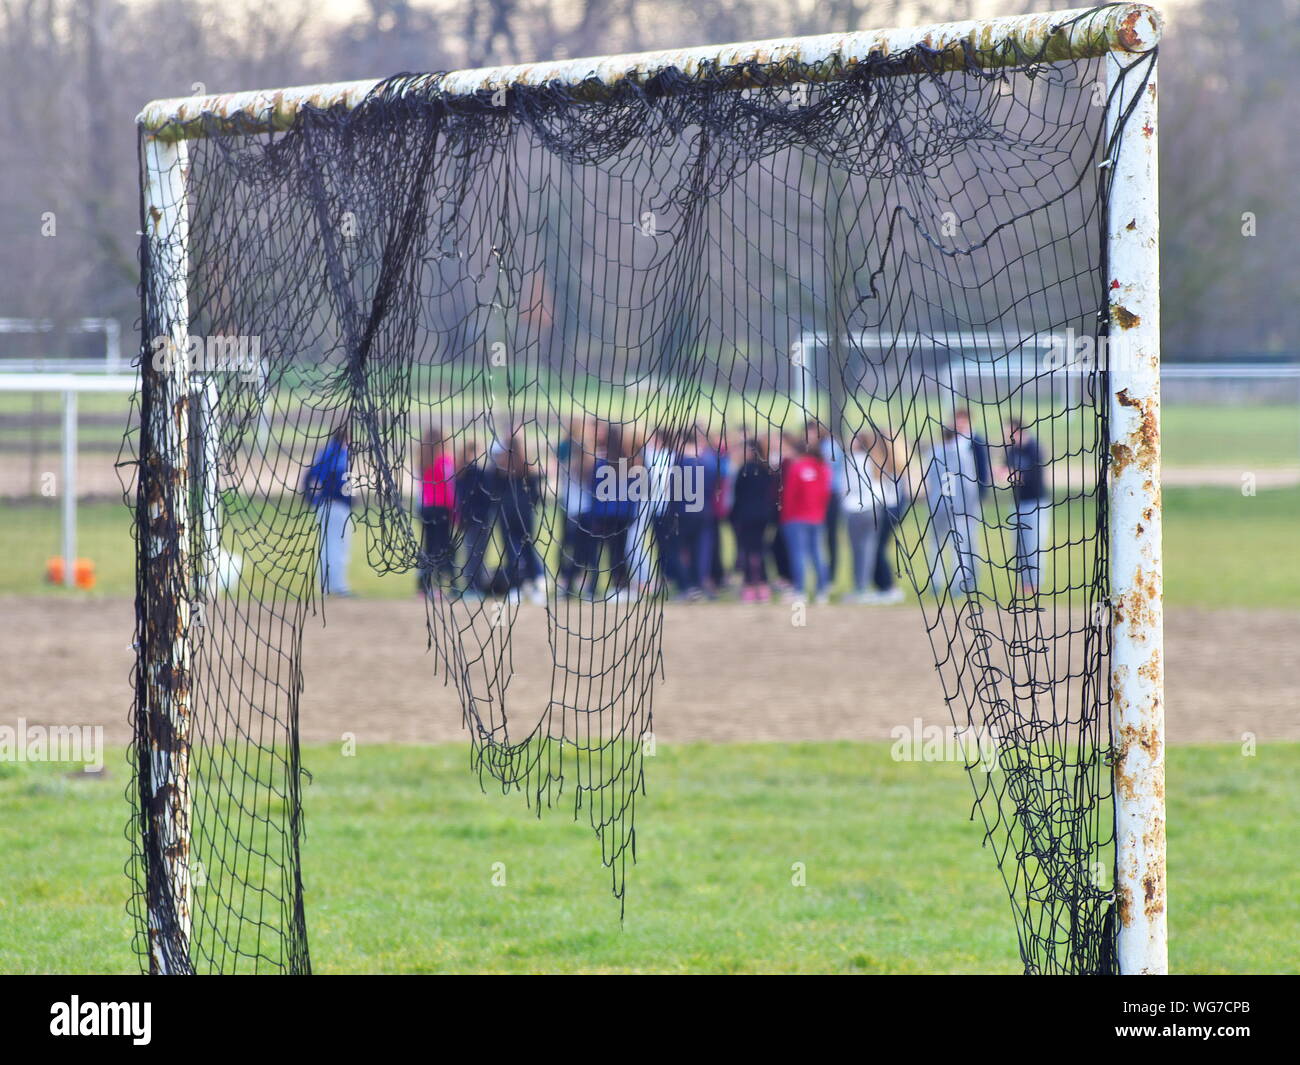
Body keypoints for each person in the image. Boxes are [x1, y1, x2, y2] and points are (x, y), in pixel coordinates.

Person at [924, 422, 982, 599]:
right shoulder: (963, 455)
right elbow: (969, 484)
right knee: (959, 547)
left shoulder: (933, 453)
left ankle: (936, 581)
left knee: (936, 546)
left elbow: (930, 481)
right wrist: (971, 507)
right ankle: (958, 583)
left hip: (938, 504)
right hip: (958, 507)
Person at [779, 435, 832, 603]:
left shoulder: (797, 467)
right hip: (816, 517)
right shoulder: (823, 467)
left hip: (796, 518)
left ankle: (800, 591)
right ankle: (822, 591)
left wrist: (785, 516)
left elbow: (789, 495)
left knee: (799, 555)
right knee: (818, 554)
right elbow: (826, 494)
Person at [495, 427, 546, 604]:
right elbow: (537, 493)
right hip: (521, 514)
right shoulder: (524, 466)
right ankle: (530, 586)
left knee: (514, 550)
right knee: (524, 549)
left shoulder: (507, 466)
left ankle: (521, 587)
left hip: (510, 513)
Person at [303, 425, 353, 597]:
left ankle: (326, 585)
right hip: (338, 505)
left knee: (326, 545)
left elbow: (310, 476)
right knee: (338, 545)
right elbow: (341, 483)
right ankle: (338, 585)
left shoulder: (324, 453)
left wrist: (311, 499)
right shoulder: (342, 455)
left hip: (323, 505)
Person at [1004, 416, 1051, 596]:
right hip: (1017, 503)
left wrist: (1013, 475)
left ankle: (1034, 584)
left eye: (1008, 430)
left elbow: (1034, 478)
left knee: (1034, 545)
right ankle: (1023, 583)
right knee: (1018, 546)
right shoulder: (1012, 450)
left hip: (1035, 503)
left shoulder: (1035, 449)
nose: (1006, 434)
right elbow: (1005, 468)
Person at [731, 436, 777, 601]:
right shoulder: (766, 470)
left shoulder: (744, 470)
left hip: (746, 517)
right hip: (763, 516)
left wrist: (733, 517)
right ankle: (763, 586)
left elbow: (737, 496)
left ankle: (750, 586)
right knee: (759, 550)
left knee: (749, 551)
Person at [417, 429, 456, 597]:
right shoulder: (445, 460)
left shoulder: (422, 460)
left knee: (428, 547)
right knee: (444, 548)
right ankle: (443, 585)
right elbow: (450, 488)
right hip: (441, 509)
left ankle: (423, 587)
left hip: (426, 509)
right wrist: (456, 511)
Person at [455, 438, 496, 598]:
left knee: (472, 552)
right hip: (479, 520)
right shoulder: (477, 472)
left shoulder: (461, 472)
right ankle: (473, 588)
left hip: (468, 520)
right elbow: (486, 498)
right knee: (476, 554)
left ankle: (473, 586)